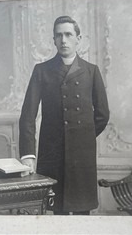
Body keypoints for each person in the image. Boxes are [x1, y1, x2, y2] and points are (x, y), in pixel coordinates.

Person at [19, 15, 110, 215]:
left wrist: (81, 137)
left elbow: (103, 114)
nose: (63, 40)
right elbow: (27, 116)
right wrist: (28, 155)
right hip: (52, 153)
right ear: (53, 40)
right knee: (56, 210)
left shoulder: (91, 71)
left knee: (81, 212)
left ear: (78, 39)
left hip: (82, 155)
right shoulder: (42, 71)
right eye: (59, 35)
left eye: (68, 34)